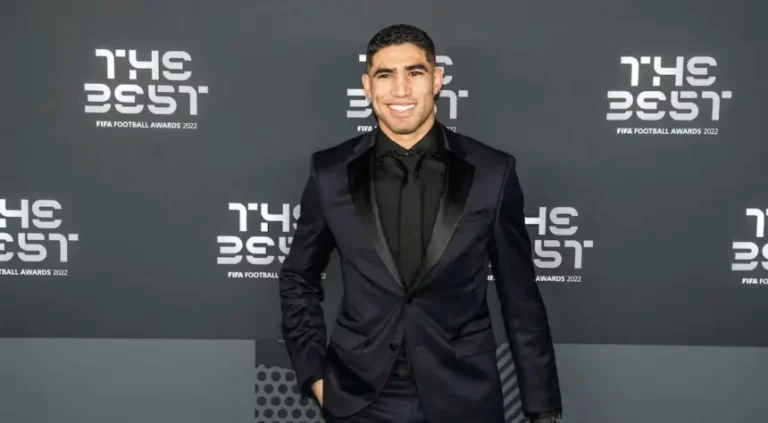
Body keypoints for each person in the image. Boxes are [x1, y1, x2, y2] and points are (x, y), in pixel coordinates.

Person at [279, 23, 563, 423]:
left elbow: (520, 297)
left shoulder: (491, 172)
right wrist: (315, 377)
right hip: (358, 398)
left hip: (464, 396)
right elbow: (298, 278)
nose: (401, 90)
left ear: (437, 80)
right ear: (367, 86)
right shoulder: (330, 172)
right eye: (385, 75)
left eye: (414, 72)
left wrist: (542, 408)